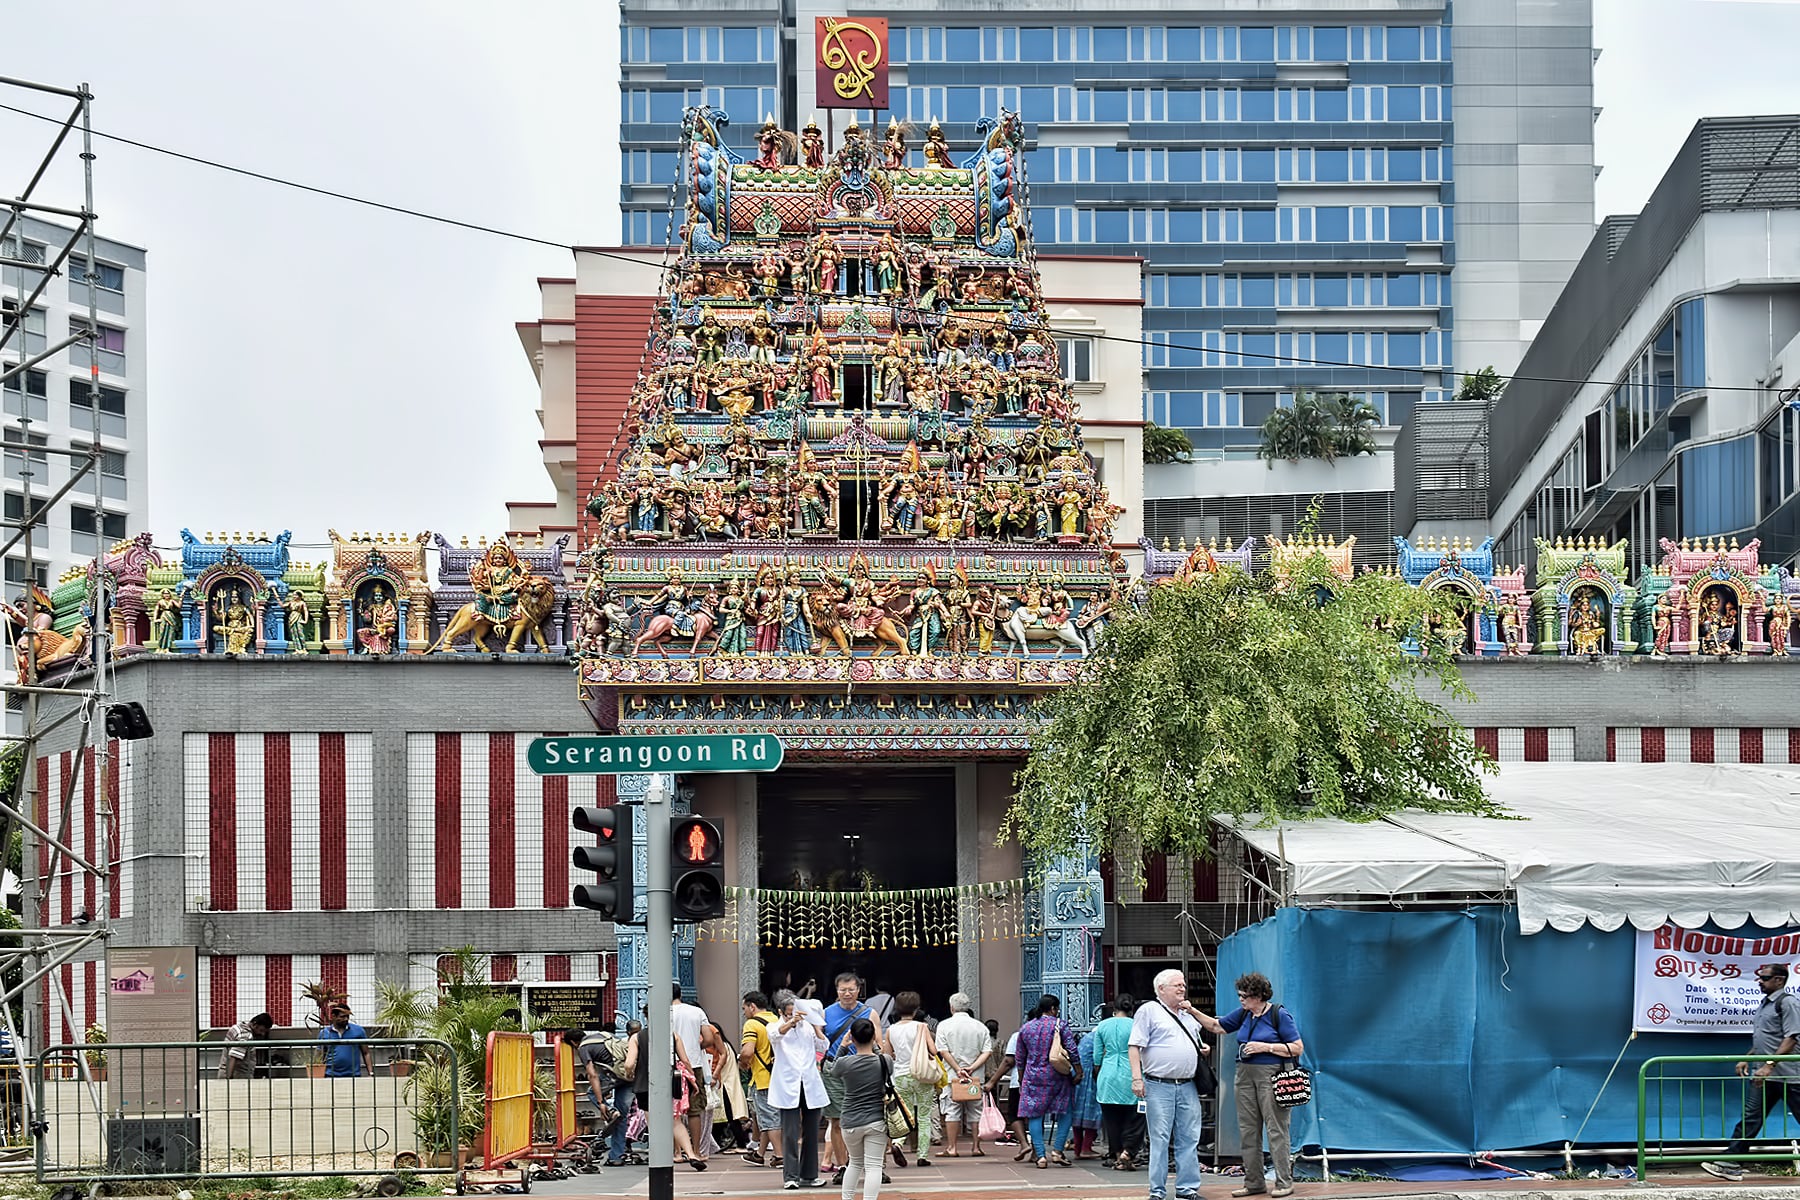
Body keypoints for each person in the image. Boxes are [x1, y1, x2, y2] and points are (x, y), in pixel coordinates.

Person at [1195, 972, 1303, 1199]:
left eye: (1245, 996)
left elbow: (1297, 1047)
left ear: (1259, 996)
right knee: (1248, 1130)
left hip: (1271, 1074)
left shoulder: (1278, 1014)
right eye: (1239, 995)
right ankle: (1254, 1182)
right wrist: (1191, 1010)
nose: (1241, 1000)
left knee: (1276, 1130)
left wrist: (1265, 1047)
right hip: (1244, 1074)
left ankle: (1284, 1181)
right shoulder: (1244, 1014)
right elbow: (1217, 1026)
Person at [1703, 963, 1800, 1181]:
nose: (1760, 981)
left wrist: (1768, 1065)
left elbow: (1791, 1038)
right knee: (1751, 1117)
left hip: (1789, 1074)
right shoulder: (1765, 1004)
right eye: (1760, 977)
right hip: (1764, 1074)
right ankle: (1730, 1161)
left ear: (1779, 980)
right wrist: (1748, 1058)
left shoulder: (1788, 1003)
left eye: (1765, 978)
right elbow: (1767, 1038)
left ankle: (1731, 1159)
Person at [1129, 971, 1207, 1200]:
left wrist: (1202, 1050)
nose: (1182, 988)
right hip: (1158, 1085)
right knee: (1160, 1139)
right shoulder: (1149, 1011)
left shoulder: (1187, 1013)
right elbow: (1134, 1046)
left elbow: (1197, 1039)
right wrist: (1136, 1078)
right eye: (1177, 985)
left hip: (1187, 1085)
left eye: (1183, 984)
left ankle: (1187, 1189)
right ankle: (1157, 1191)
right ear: (1161, 988)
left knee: (1189, 1137)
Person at [821, 973, 885, 1182]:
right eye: (842, 990)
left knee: (874, 1118)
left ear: (859, 990)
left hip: (865, 1070)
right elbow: (820, 1044)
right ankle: (842, 1166)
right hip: (835, 1069)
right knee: (837, 1120)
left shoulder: (869, 1012)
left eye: (851, 989)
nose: (847, 994)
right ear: (836, 990)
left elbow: (879, 1043)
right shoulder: (826, 1013)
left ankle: (875, 1166)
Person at [770, 989, 829, 1189]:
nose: (794, 1015)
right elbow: (776, 1036)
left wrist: (816, 1025)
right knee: (790, 1132)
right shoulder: (774, 1025)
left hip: (810, 1083)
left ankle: (810, 1175)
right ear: (780, 1012)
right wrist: (790, 1022)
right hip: (788, 1085)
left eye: (796, 1011)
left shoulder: (807, 1027)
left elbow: (823, 1047)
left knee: (812, 1131)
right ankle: (790, 1176)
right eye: (789, 1012)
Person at [829, 1018, 892, 1200]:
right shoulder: (885, 1061)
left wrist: (842, 1046)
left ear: (853, 1039)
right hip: (876, 1120)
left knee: (854, 1163)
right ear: (873, 1037)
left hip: (850, 1121)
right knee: (874, 1167)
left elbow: (832, 1070)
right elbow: (886, 1063)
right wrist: (877, 1046)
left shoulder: (845, 1063)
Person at [1015, 994, 1077, 1168]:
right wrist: (1078, 1070)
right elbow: (1072, 1049)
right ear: (1052, 1009)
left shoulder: (1026, 1028)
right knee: (1065, 1111)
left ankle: (1041, 1156)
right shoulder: (1060, 1025)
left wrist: (1021, 1078)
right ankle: (1057, 1151)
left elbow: (1020, 1058)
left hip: (1033, 1076)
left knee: (1035, 1115)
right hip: (1057, 1075)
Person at [1092, 995, 1146, 1170]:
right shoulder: (1136, 1025)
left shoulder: (1102, 1026)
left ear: (1114, 1008)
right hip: (1131, 1073)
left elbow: (1097, 1057)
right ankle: (1127, 1152)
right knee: (1136, 1117)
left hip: (1107, 1075)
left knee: (1111, 1119)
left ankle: (1116, 1154)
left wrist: (1098, 1074)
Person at [886, 991, 940, 1165]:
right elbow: (933, 1050)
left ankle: (898, 1143)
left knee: (904, 1114)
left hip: (900, 1075)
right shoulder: (921, 1027)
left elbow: (888, 1054)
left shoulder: (891, 1029)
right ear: (916, 1010)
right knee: (923, 1116)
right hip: (921, 1075)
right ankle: (922, 1155)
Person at [936, 993, 993, 1156]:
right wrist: (971, 1067)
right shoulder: (980, 1026)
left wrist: (958, 1068)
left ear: (951, 1007)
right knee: (976, 1111)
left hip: (953, 1076)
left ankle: (952, 1148)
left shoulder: (944, 1025)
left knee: (952, 1110)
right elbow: (987, 1051)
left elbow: (943, 1051)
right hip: (975, 1077)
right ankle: (976, 1147)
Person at [577, 1027, 638, 1166]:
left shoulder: (583, 1047)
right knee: (621, 1117)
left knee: (592, 1092)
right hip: (629, 1077)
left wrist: (601, 1102)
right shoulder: (605, 1035)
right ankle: (616, 1157)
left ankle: (610, 1110)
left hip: (614, 1075)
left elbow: (592, 1075)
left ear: (574, 1043)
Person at [741, 992, 786, 1167]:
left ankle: (779, 1155)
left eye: (744, 1008)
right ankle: (759, 1154)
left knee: (770, 1119)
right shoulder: (777, 1020)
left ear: (752, 1006)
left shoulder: (752, 1024)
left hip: (762, 1078)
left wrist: (743, 1062)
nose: (744, 1012)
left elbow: (748, 1051)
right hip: (780, 1077)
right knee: (769, 1119)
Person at [669, 983, 712, 1162]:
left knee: (672, 1112)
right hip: (693, 1064)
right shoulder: (696, 1012)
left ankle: (676, 1152)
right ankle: (696, 1151)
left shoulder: (663, 1012)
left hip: (670, 1065)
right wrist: (694, 1046)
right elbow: (708, 1039)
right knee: (694, 1111)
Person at [1071, 1017, 1103, 1158]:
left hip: (1078, 1075)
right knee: (1093, 1110)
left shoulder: (1087, 1037)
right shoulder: (1099, 1037)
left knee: (1077, 1111)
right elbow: (1099, 1058)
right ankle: (1086, 1147)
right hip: (1090, 1076)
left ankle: (1078, 1148)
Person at [317, 1004, 372, 1078]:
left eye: (347, 1016)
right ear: (333, 1016)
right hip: (330, 1075)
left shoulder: (358, 1031)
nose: (346, 1019)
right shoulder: (324, 1033)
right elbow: (320, 1056)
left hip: (353, 1075)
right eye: (342, 1016)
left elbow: (366, 1053)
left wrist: (370, 1073)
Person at [219, 1012, 273, 1079]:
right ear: (254, 1024)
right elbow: (234, 1056)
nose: (262, 1034)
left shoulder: (236, 1028)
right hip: (239, 1077)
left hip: (223, 1071)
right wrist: (229, 1078)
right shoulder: (246, 1036)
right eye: (261, 1030)